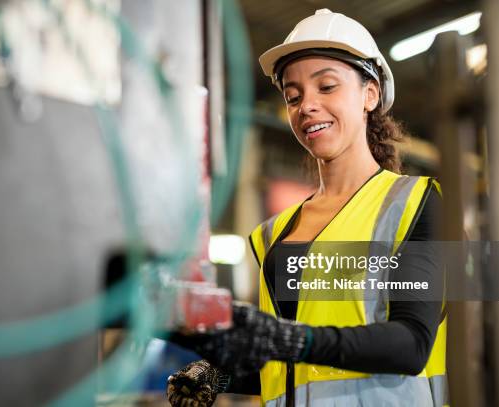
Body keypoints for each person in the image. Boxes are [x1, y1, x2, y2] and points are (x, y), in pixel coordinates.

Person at [167, 9, 447, 407]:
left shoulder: (415, 203)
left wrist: (293, 339)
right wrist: (220, 371)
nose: (306, 106)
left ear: (370, 94)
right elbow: (295, 368)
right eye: (293, 96)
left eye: (327, 87)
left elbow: (412, 342)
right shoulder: (273, 234)